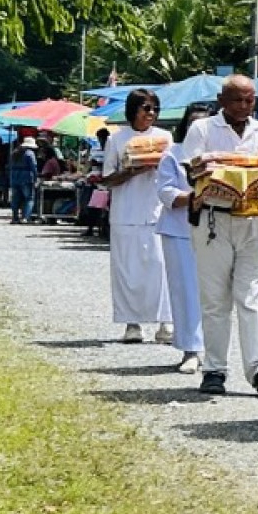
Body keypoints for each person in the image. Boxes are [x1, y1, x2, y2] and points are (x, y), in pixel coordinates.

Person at [182, 74, 258, 396]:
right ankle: (214, 369)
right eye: (237, 99)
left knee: (253, 296)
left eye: (249, 100)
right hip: (215, 218)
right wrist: (223, 172)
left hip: (255, 219)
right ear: (221, 100)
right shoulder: (203, 129)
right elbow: (191, 171)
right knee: (215, 299)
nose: (243, 106)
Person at [101, 89, 172, 345]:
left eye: (155, 109)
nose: (151, 114)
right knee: (127, 270)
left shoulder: (165, 138)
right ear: (133, 110)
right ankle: (132, 323)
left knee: (161, 267)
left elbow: (173, 173)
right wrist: (133, 170)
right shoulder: (117, 139)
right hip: (126, 212)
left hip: (156, 211)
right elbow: (107, 179)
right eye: (146, 108)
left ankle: (165, 322)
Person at [154, 104, 207, 375]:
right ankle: (191, 349)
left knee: (213, 294)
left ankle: (214, 352)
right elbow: (165, 192)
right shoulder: (172, 155)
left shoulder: (218, 155)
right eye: (193, 124)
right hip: (179, 231)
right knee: (185, 291)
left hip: (215, 231)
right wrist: (194, 198)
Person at [6, 135, 39, 224]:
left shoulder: (14, 153)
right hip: (27, 177)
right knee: (29, 198)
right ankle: (25, 217)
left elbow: (9, 166)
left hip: (14, 177)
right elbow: (33, 167)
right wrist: (36, 178)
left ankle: (15, 217)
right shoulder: (30, 153)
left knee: (15, 198)